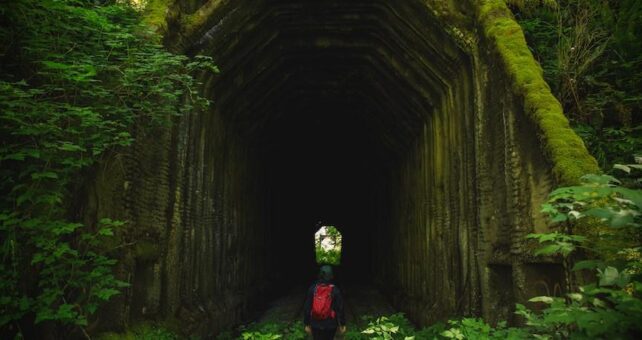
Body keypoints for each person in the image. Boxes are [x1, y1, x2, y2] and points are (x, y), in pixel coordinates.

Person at [303, 265, 346, 339]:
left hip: (315, 323)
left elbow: (307, 307)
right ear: (331, 275)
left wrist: (307, 323)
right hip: (330, 324)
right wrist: (342, 324)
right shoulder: (335, 290)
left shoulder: (313, 288)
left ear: (319, 275)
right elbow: (340, 308)